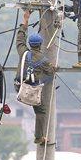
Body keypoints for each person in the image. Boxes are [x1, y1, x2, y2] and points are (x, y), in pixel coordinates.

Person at [16, 10, 55, 145]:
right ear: (40, 44)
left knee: (40, 109)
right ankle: (39, 137)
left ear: (30, 44)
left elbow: (20, 39)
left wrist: (25, 20)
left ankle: (39, 137)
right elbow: (50, 72)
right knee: (41, 111)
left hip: (19, 87)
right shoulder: (43, 60)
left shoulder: (23, 53)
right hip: (32, 91)